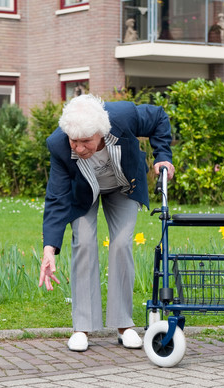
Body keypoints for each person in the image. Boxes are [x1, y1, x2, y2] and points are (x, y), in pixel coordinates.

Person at [38, 94, 175, 352]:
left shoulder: (123, 116)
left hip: (123, 186)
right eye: (74, 141)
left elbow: (159, 117)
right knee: (85, 242)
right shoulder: (58, 144)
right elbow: (56, 197)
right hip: (84, 192)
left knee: (122, 243)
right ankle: (82, 327)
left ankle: (124, 326)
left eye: (86, 141)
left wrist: (162, 156)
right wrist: (49, 249)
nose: (78, 149)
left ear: (101, 132)